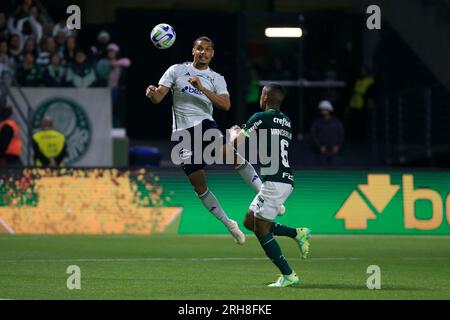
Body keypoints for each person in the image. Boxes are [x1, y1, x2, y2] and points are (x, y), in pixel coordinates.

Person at [145, 36, 272, 245]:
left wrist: (202, 87)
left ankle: (264, 192)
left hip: (205, 125)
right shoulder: (176, 70)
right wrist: (151, 93)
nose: (203, 52)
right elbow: (158, 97)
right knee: (199, 186)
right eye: (199, 49)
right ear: (193, 51)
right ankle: (229, 224)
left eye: (207, 49)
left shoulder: (216, 78)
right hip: (182, 135)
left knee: (230, 156)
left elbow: (226, 105)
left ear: (212, 54)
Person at [229, 83, 311, 287]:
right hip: (284, 179)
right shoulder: (287, 121)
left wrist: (233, 133)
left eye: (261, 93)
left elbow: (236, 144)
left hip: (275, 182)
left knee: (262, 230)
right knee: (250, 222)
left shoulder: (259, 117)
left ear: (265, 97)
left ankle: (289, 275)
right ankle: (297, 233)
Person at [311, 100, 345, 166]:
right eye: (322, 109)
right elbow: (313, 135)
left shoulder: (336, 122)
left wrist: (338, 146)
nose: (323, 111)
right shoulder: (317, 123)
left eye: (325, 109)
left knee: (335, 169)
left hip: (334, 152)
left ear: (329, 110)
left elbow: (341, 134)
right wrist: (319, 146)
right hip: (321, 152)